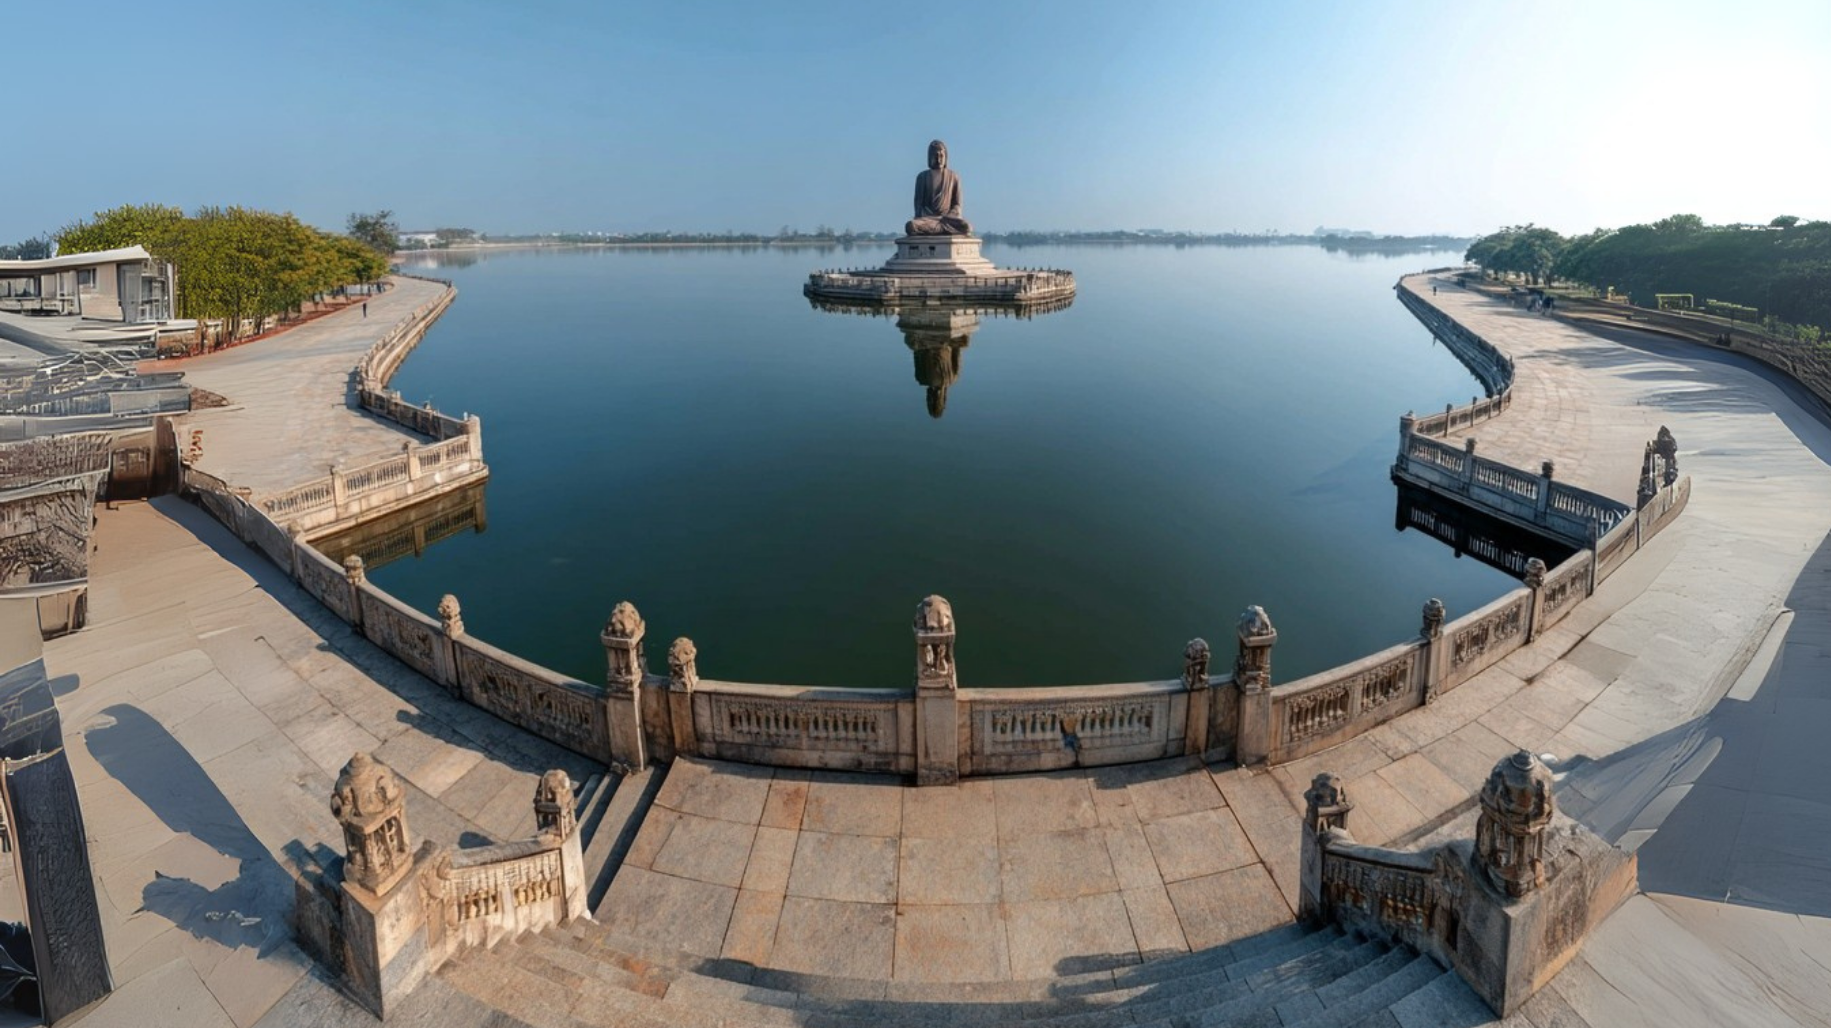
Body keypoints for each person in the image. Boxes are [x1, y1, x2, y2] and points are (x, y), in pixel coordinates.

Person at [905, 140, 973, 236]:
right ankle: (939, 229)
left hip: (947, 220)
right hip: (929, 220)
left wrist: (949, 215)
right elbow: (918, 206)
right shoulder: (922, 177)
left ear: (946, 157)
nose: (938, 159)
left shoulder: (954, 177)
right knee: (911, 226)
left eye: (941, 156)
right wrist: (927, 215)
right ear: (930, 157)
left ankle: (940, 228)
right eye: (935, 156)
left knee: (967, 227)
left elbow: (957, 205)